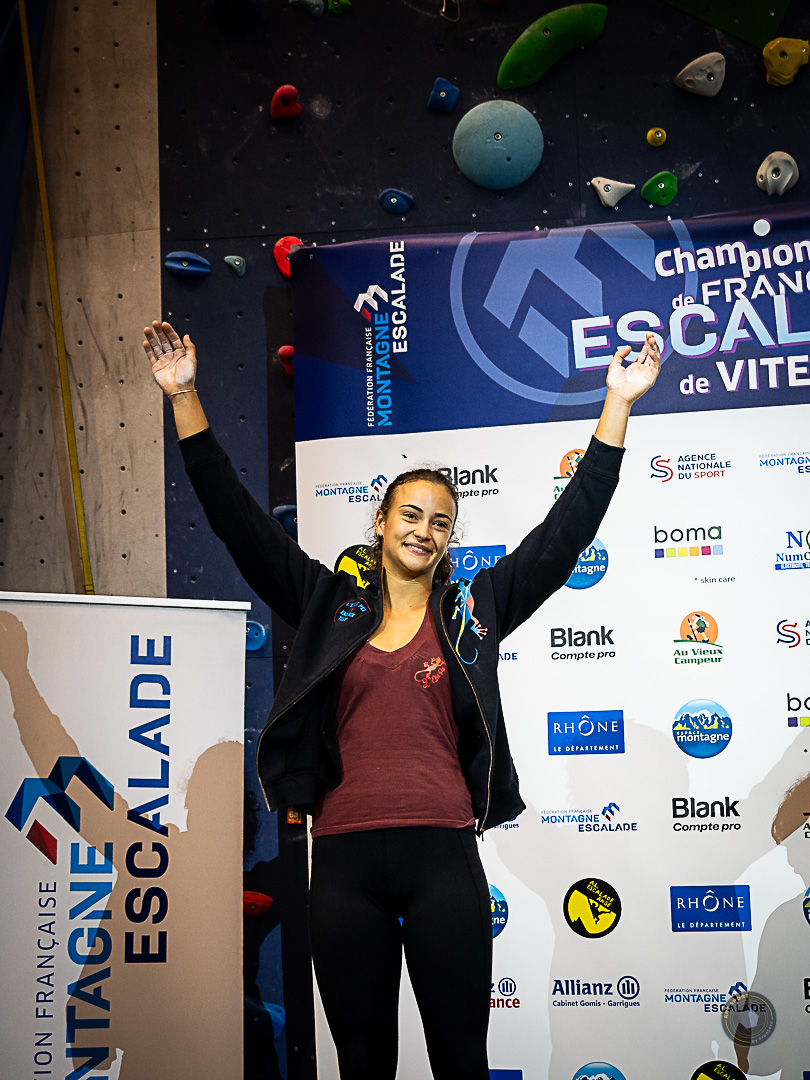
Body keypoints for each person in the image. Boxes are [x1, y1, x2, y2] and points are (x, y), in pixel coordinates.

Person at [143, 318, 661, 1080]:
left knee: (461, 1061)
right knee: (363, 1065)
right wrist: (184, 397)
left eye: (440, 523)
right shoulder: (325, 602)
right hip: (343, 863)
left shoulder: (475, 610)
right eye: (411, 515)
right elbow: (238, 524)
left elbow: (565, 535)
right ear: (382, 522)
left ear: (449, 539)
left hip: (443, 859)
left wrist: (616, 404)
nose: (424, 531)